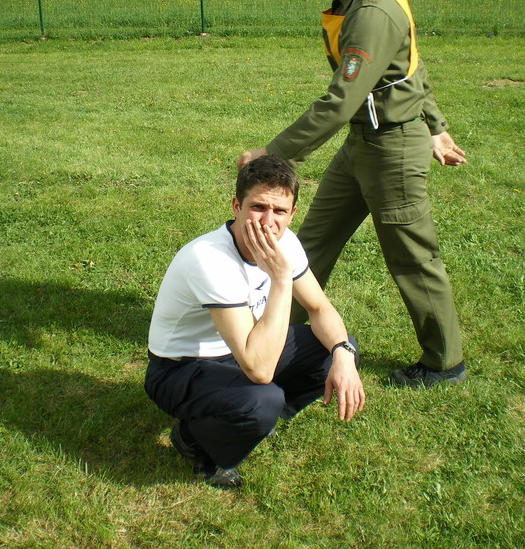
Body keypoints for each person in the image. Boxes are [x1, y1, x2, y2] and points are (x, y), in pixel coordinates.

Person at [236, 0, 466, 389]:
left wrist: (273, 155)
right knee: (311, 244)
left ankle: (444, 362)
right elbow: (409, 66)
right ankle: (273, 337)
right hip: (362, 143)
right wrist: (436, 126)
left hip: (392, 150)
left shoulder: (373, 8)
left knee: (412, 258)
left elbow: (341, 101)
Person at [145, 156, 365, 489]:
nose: (267, 221)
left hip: (242, 349)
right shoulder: (210, 260)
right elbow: (259, 369)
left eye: (279, 211)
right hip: (181, 367)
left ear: (292, 214)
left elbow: (320, 308)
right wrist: (281, 279)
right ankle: (194, 439)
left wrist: (343, 353)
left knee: (336, 348)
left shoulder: (286, 242)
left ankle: (253, 419)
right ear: (236, 206)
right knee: (261, 399)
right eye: (258, 207)